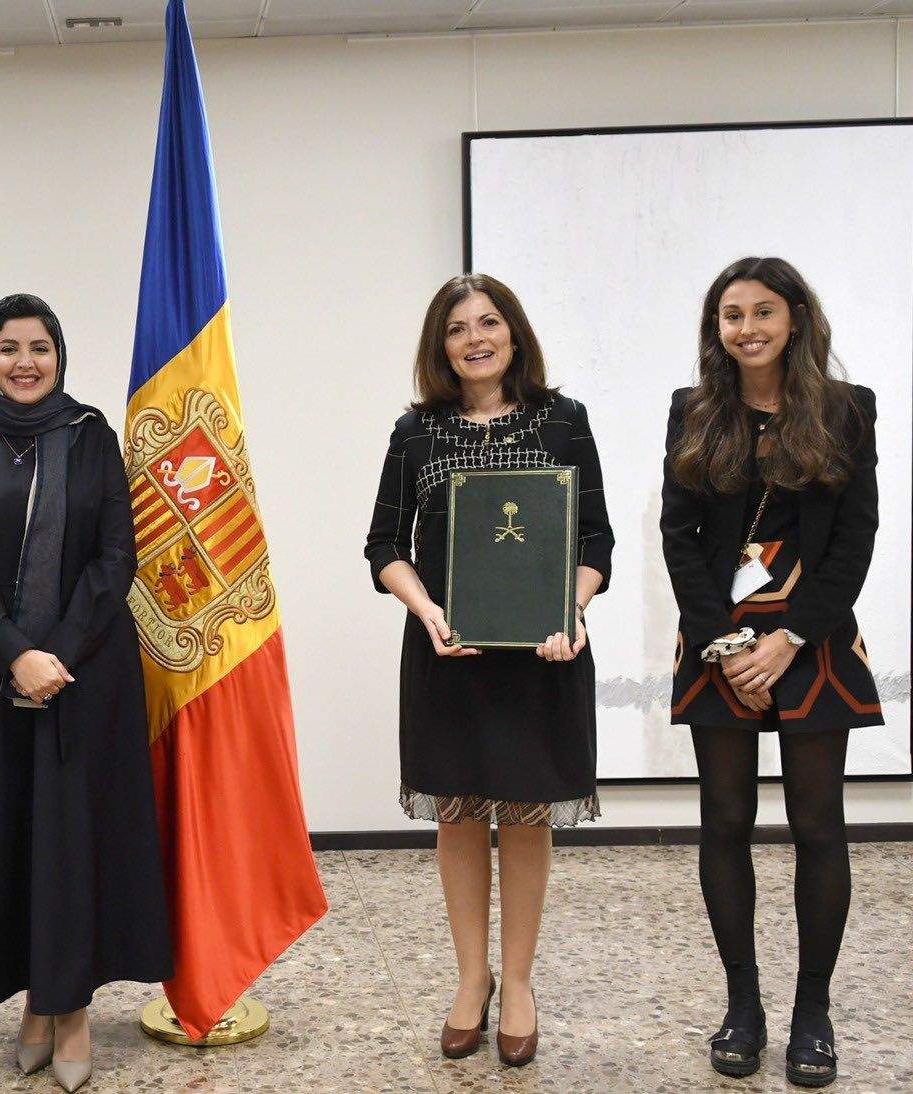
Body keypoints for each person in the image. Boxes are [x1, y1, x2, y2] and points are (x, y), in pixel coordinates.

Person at [0, 294, 172, 1092]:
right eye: (7, 348)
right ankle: (33, 1000)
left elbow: (113, 558)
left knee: (72, 840)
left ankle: (70, 1010)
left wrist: (55, 652)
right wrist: (14, 653)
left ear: (60, 357)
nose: (25, 362)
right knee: (7, 834)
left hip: (86, 671)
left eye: (40, 348)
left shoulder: (90, 438)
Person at [364, 273, 612, 1068]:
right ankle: (472, 980)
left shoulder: (564, 421)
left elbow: (595, 544)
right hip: (450, 655)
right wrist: (427, 610)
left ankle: (524, 981)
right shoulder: (415, 432)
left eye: (489, 323)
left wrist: (569, 609)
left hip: (543, 656)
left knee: (526, 816)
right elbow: (384, 548)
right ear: (440, 346)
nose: (475, 339)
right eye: (458, 328)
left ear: (514, 332)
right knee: (460, 815)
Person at [660, 256, 880, 1089]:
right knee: (725, 823)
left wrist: (789, 638)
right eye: (729, 315)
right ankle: (743, 1006)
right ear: (716, 329)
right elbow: (678, 534)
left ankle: (812, 1013)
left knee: (819, 828)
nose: (745, 327)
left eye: (760, 312)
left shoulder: (844, 410)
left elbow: (855, 539)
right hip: (719, 639)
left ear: (794, 317)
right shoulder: (694, 411)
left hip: (811, 635)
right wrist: (721, 643)